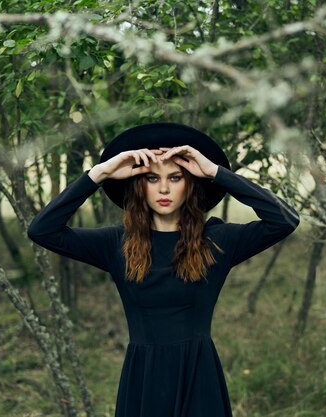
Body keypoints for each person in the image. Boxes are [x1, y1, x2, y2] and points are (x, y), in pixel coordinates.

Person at [27, 122, 300, 417]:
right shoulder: (116, 244)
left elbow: (285, 220)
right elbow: (42, 230)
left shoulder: (218, 241)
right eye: (152, 178)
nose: (164, 188)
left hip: (199, 377)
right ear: (139, 184)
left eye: (175, 177)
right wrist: (100, 173)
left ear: (190, 183)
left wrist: (215, 173)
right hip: (143, 381)